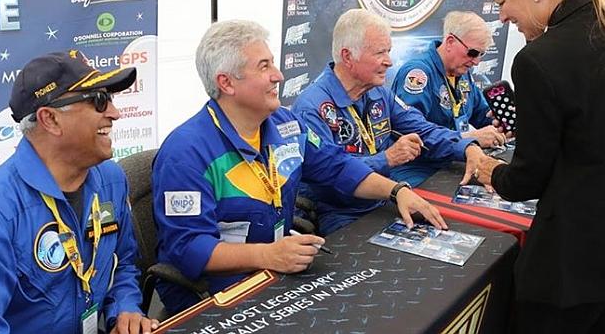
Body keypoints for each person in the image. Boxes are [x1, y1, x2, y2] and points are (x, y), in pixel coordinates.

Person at [152, 20, 447, 314]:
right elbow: (189, 248)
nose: (278, 76)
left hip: (277, 269)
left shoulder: (285, 123)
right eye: (264, 67)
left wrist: (397, 191)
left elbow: (336, 166)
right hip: (215, 293)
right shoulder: (185, 153)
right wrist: (268, 255)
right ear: (226, 83)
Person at [475, 0, 605, 333]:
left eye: (502, 1)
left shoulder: (540, 60)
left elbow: (527, 178)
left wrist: (492, 172)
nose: (502, 15)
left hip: (573, 270)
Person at [0, 50, 157, 334]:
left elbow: (125, 264)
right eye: (99, 101)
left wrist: (125, 308)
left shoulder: (111, 180)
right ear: (50, 119)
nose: (114, 112)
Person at [292, 9, 484, 234]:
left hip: (385, 199)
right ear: (347, 57)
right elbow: (332, 175)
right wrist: (388, 158)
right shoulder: (311, 107)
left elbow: (422, 128)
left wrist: (467, 147)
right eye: (380, 53)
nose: (389, 62)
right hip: (341, 212)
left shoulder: (378, 93)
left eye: (389, 51)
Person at [391, 11, 506, 149]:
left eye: (481, 54)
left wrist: (503, 122)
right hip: (419, 164)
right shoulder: (418, 74)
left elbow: (481, 114)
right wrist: (466, 139)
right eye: (473, 53)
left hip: (453, 156)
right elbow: (410, 130)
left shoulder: (462, 73)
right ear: (450, 42)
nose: (476, 62)